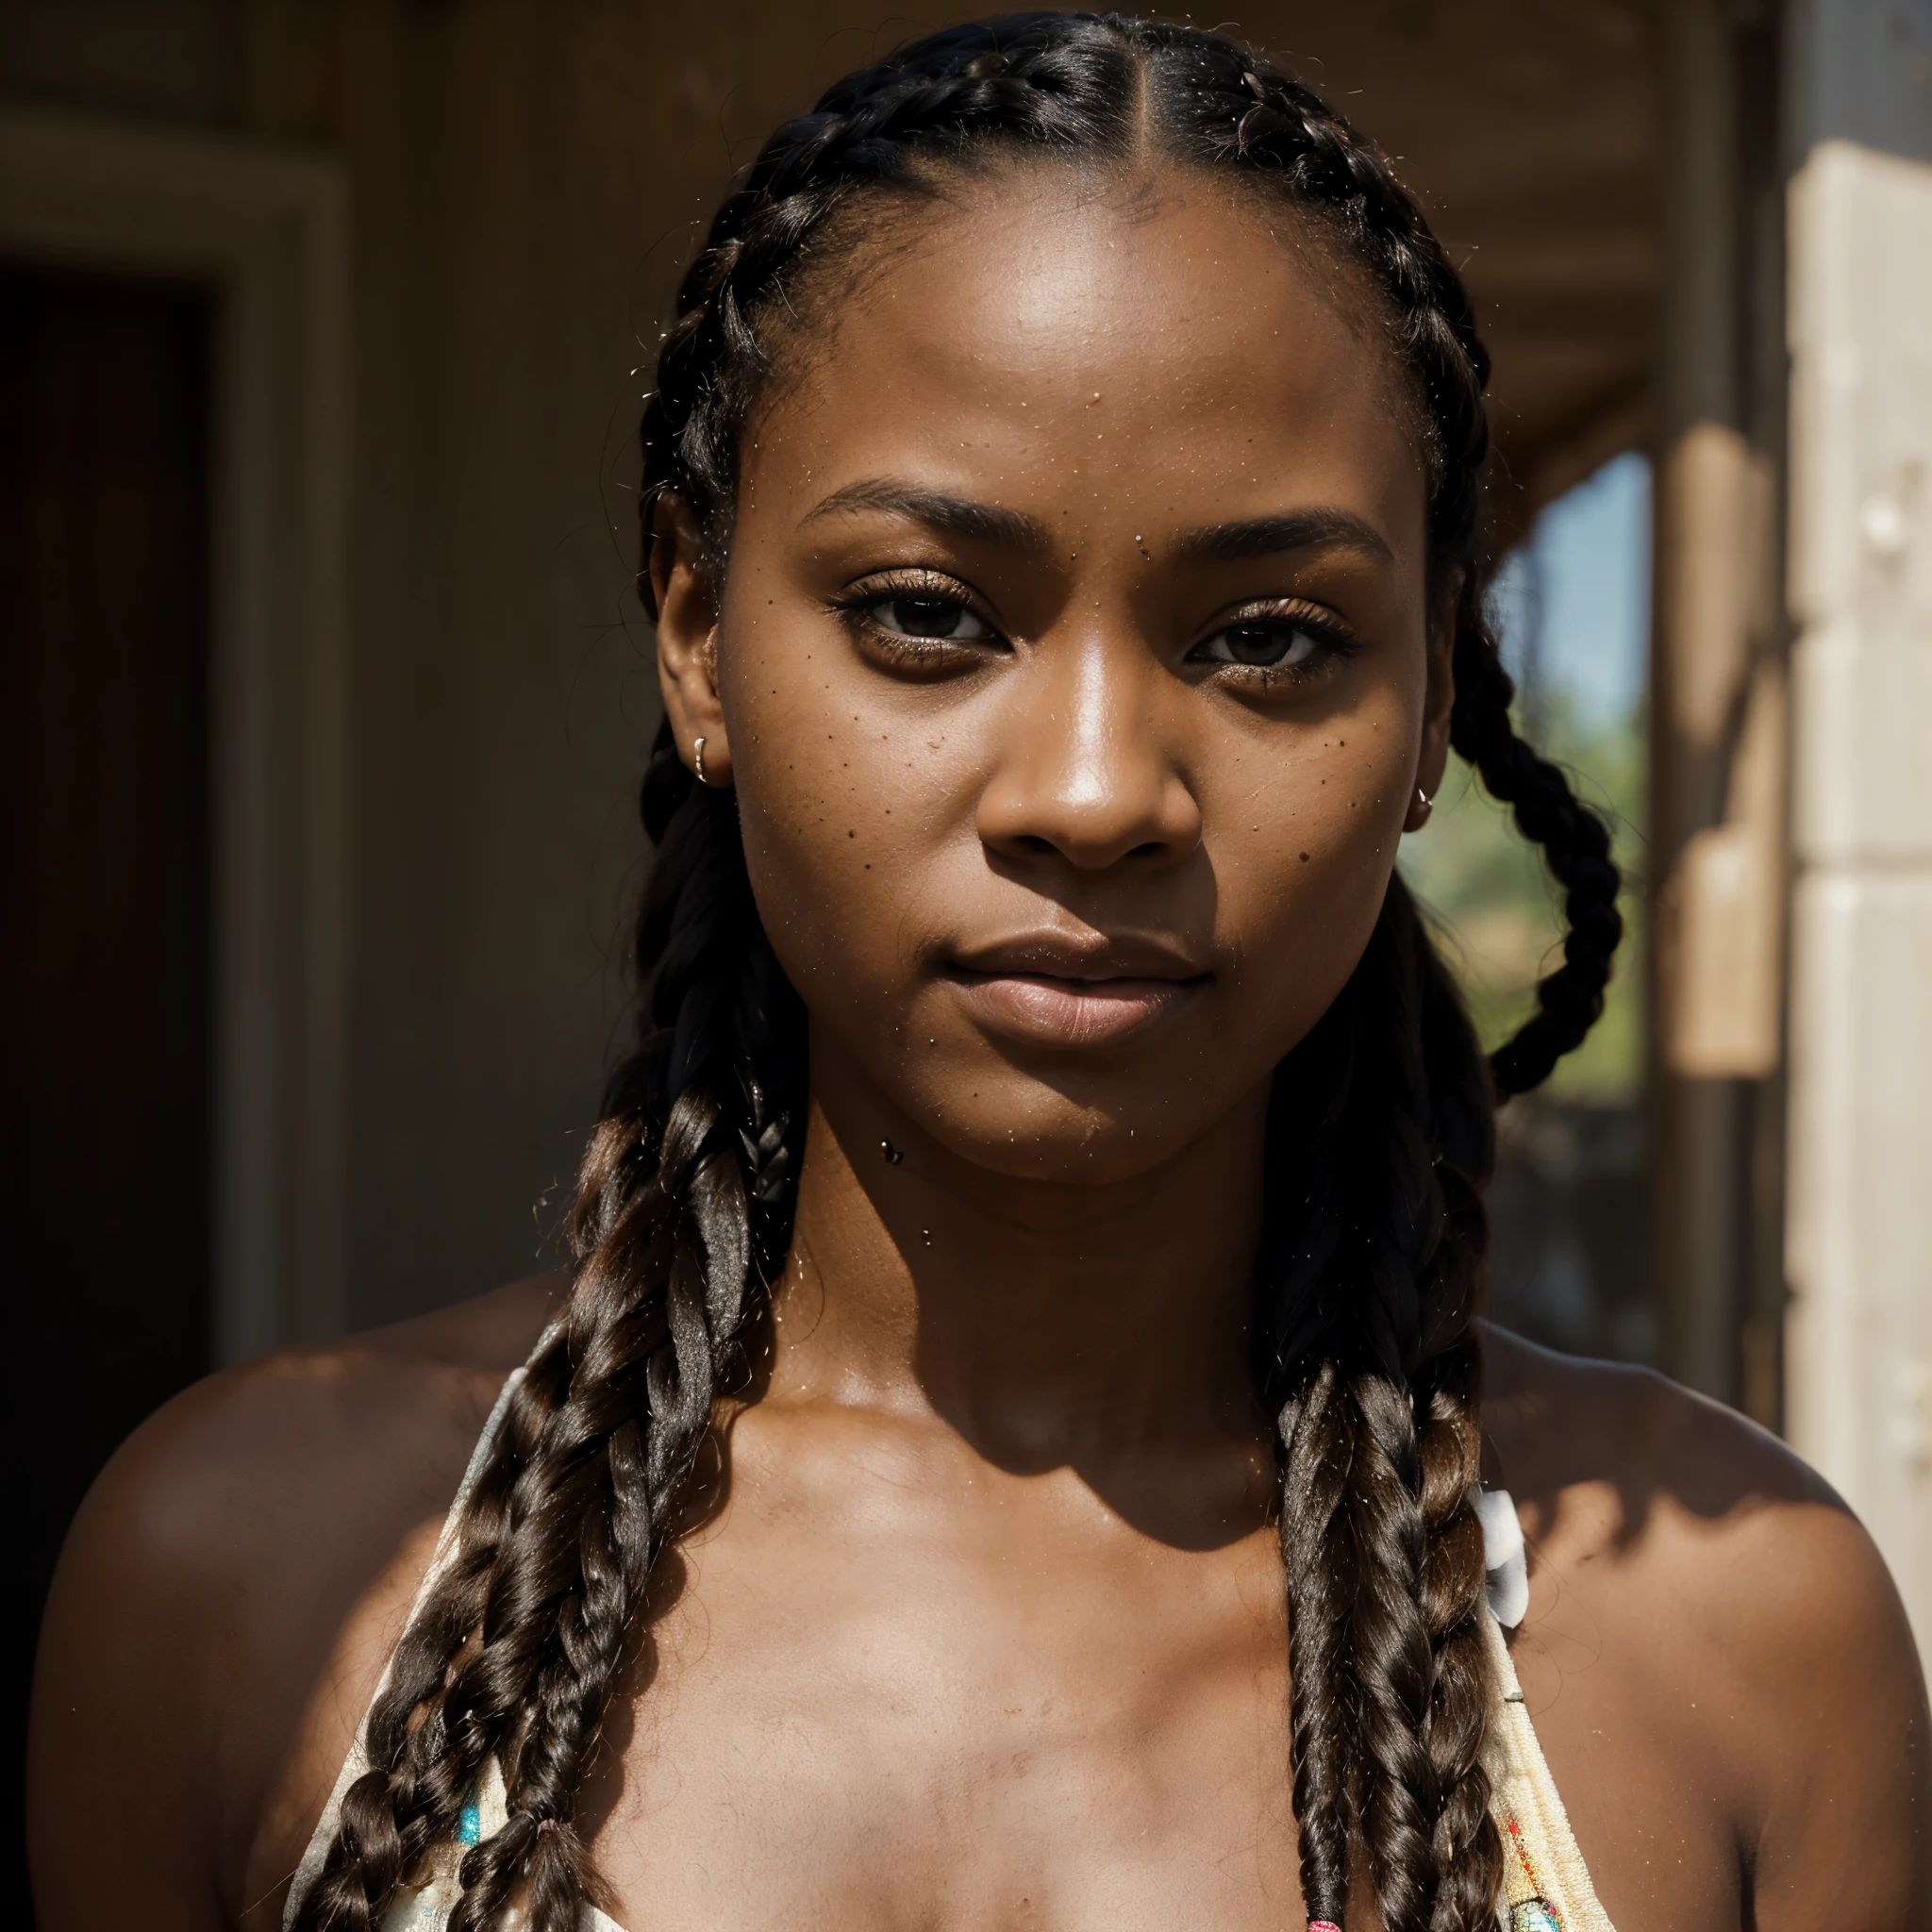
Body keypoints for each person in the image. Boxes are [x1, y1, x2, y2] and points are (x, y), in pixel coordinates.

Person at [27, 13, 1929, 1932]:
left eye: (1268, 637)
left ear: (1433, 685)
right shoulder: (246, 1586)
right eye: (928, 616)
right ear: (693, 627)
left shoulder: (1740, 1654)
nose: (1096, 790)